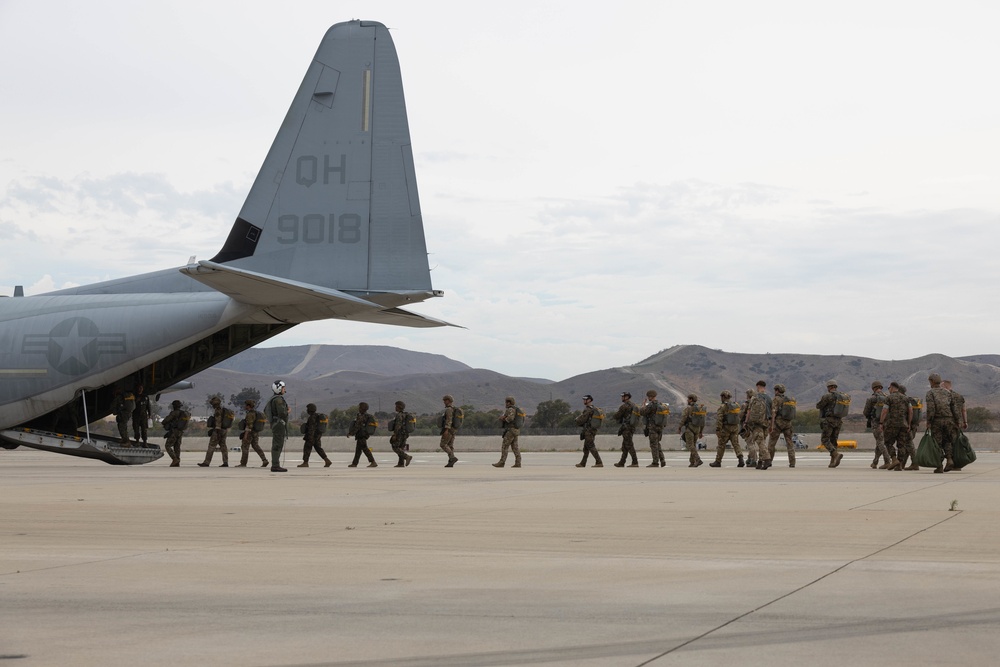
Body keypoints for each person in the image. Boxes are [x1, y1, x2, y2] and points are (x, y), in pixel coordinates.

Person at [925, 373, 960, 473]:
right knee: (947, 441)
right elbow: (954, 408)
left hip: (937, 420)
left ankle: (939, 465)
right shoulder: (948, 393)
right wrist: (958, 421)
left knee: (937, 443)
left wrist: (929, 422)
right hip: (949, 420)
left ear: (931, 381)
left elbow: (931, 409)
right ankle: (949, 459)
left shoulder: (930, 393)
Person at [880, 382, 914, 471]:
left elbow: (884, 411)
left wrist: (881, 422)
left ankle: (894, 459)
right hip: (903, 424)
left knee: (888, 443)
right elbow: (910, 411)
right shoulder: (906, 398)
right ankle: (899, 465)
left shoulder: (889, 398)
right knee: (901, 445)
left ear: (891, 387)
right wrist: (909, 423)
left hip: (891, 424)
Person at [710, 390, 744, 467]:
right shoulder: (736, 405)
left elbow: (719, 419)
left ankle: (718, 461)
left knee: (721, 445)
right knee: (736, 444)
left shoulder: (722, 407)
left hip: (726, 428)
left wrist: (718, 429)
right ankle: (741, 459)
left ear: (723, 397)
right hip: (735, 427)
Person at [816, 380, 846, 468]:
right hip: (838, 421)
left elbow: (819, 405)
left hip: (829, 420)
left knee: (825, 439)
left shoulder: (827, 396)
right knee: (833, 440)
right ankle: (833, 461)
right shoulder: (842, 396)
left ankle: (835, 454)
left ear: (829, 387)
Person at [767, 384, 797, 468]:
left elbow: (773, 412)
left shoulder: (776, 399)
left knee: (771, 444)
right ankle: (792, 462)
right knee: (790, 443)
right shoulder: (788, 399)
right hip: (788, 424)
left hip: (778, 424)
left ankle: (769, 461)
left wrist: (771, 425)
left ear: (777, 390)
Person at [863, 381, 892, 469]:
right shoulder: (888, 397)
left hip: (876, 422)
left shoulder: (872, 399)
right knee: (879, 442)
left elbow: (866, 412)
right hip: (887, 422)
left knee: (880, 442)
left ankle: (887, 461)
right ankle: (875, 462)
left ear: (873, 388)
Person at [745, 380, 773, 470]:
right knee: (763, 441)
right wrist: (772, 425)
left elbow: (749, 411)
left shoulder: (754, 397)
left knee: (760, 442)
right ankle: (760, 462)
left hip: (757, 422)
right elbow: (773, 412)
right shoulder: (769, 398)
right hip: (766, 422)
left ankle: (767, 459)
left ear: (757, 386)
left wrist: (746, 422)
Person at [264, 380, 289, 472]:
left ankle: (275, 464)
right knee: (277, 445)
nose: (284, 390)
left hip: (276, 424)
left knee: (277, 444)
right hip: (279, 424)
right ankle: (275, 465)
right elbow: (282, 412)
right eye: (283, 388)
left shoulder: (274, 398)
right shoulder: (278, 400)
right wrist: (287, 411)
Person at [198, 396, 229, 467]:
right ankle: (225, 462)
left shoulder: (218, 410)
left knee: (211, 446)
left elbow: (218, 421)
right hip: (224, 430)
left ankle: (206, 462)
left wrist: (217, 431)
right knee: (223, 446)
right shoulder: (224, 410)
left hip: (218, 430)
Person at [237, 399, 269, 468]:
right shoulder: (256, 413)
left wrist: (245, 435)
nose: (245, 406)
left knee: (245, 447)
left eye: (246, 405)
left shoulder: (250, 414)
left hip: (250, 433)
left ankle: (243, 463)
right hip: (255, 433)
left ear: (248, 406)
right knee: (256, 446)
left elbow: (249, 425)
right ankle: (264, 460)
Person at [298, 403, 332, 467]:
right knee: (318, 448)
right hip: (317, 436)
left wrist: (310, 437)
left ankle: (305, 462)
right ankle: (327, 460)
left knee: (307, 449)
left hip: (312, 436)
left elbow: (311, 428)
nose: (307, 410)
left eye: (308, 409)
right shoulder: (317, 416)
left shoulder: (312, 417)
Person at [493, 396, 523, 468]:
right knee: (515, 447)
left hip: (511, 430)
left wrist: (504, 419)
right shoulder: (515, 409)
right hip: (515, 431)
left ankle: (502, 462)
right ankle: (518, 462)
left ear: (509, 402)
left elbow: (510, 418)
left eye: (506, 402)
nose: (505, 404)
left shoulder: (511, 409)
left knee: (504, 446)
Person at [574, 394, 603, 467]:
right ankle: (583, 463)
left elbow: (583, 420)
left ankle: (599, 462)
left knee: (590, 446)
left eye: (585, 399)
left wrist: (577, 420)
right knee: (586, 448)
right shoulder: (594, 408)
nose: (584, 401)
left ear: (589, 400)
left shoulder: (588, 409)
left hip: (588, 430)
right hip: (592, 430)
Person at [612, 392, 639, 467]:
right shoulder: (634, 405)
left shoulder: (625, 406)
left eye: (623, 396)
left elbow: (617, 415)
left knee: (629, 445)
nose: (622, 398)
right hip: (631, 427)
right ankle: (622, 462)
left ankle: (635, 462)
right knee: (625, 446)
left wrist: (614, 416)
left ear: (627, 397)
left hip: (626, 427)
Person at [678, 393, 705, 467]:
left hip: (690, 428)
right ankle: (692, 462)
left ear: (691, 400)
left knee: (690, 445)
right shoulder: (700, 409)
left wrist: (679, 427)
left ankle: (698, 459)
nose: (687, 400)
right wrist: (701, 431)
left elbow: (683, 418)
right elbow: (703, 421)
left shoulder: (688, 408)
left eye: (688, 399)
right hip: (697, 429)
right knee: (693, 445)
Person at [347, 402, 378, 468]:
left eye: (360, 407)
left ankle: (373, 462)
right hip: (363, 434)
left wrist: (351, 433)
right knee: (358, 450)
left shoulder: (361, 416)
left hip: (361, 434)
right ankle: (354, 463)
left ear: (362, 408)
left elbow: (357, 426)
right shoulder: (366, 416)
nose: (359, 408)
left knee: (365, 449)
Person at [640, 390, 666, 467]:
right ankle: (662, 460)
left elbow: (643, 412)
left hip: (653, 427)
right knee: (657, 443)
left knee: (653, 445)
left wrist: (643, 405)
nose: (648, 398)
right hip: (660, 427)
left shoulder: (651, 405)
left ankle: (655, 462)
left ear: (650, 396)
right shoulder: (660, 404)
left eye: (648, 397)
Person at [388, 401, 414, 467]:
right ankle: (401, 463)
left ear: (399, 407)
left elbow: (398, 425)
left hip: (400, 433)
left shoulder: (399, 415)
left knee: (395, 446)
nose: (395, 408)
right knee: (401, 447)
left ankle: (407, 457)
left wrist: (395, 434)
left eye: (396, 406)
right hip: (405, 434)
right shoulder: (405, 414)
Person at [161, 399, 186, 466]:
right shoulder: (183, 413)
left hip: (174, 431)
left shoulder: (174, 413)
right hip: (180, 432)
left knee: (168, 445)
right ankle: (177, 462)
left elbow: (165, 421)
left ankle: (175, 459)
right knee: (177, 447)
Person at [439, 395, 459, 467]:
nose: (444, 402)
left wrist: (446, 430)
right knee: (450, 446)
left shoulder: (449, 410)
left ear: (449, 400)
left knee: (443, 444)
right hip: (453, 430)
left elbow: (449, 420)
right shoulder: (453, 409)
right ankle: (451, 461)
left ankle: (452, 458)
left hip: (449, 429)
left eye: (445, 400)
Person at [740, 389, 757, 468]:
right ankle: (751, 458)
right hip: (756, 426)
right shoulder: (757, 403)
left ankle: (753, 460)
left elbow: (741, 415)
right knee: (753, 443)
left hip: (747, 426)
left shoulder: (746, 404)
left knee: (750, 443)